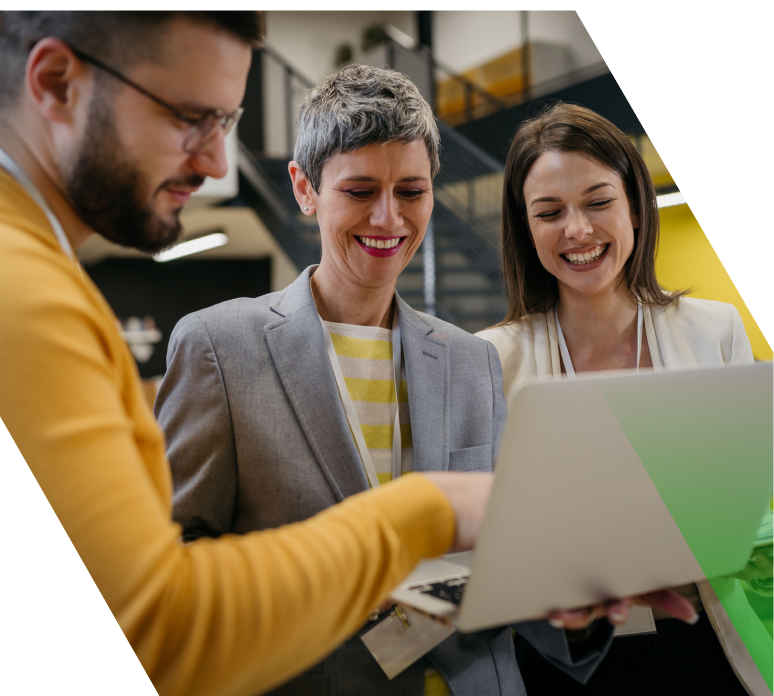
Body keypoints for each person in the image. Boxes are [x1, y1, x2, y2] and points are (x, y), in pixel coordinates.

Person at [0, 11, 505, 696]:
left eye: (223, 122)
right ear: (56, 82)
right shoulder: (19, 293)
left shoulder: (20, 269)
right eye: (189, 116)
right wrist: (431, 509)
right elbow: (165, 626)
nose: (218, 161)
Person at [155, 66, 696, 696]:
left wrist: (576, 599)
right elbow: (173, 577)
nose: (389, 218)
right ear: (304, 188)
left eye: (411, 191)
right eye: (360, 191)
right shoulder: (220, 349)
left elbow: (500, 557)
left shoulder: (470, 361)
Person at [477, 102, 773, 696]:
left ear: (634, 203)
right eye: (550, 212)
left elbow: (750, 509)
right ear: (526, 226)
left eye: (598, 201)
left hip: (704, 638)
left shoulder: (714, 330)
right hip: (564, 661)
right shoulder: (489, 360)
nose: (578, 230)